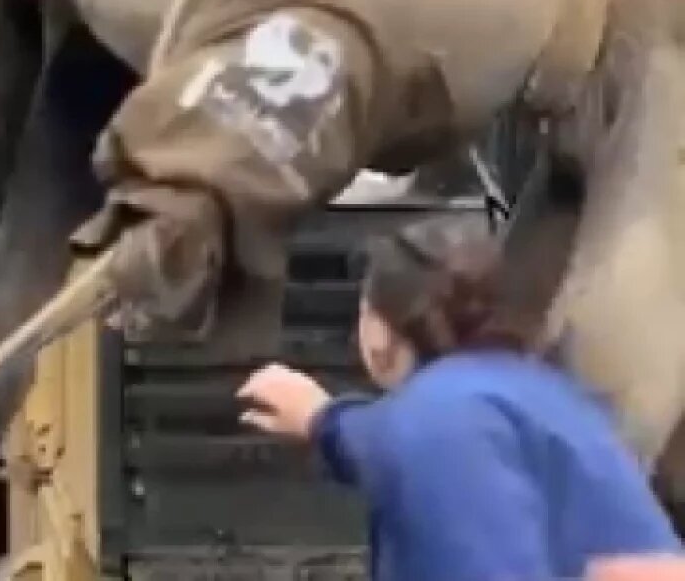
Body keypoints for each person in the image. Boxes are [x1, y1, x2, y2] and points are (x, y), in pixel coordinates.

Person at [236, 217, 682, 581]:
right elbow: (385, 441)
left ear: (378, 332)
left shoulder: (441, 420)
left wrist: (325, 419)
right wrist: (322, 418)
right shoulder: (531, 391)